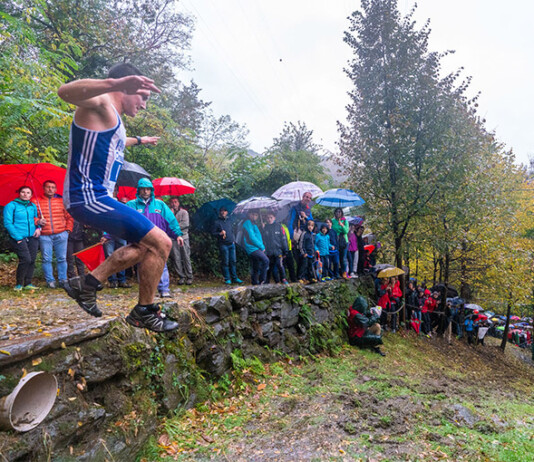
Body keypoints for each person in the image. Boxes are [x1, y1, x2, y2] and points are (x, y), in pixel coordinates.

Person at [58, 62, 179, 332]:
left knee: (145, 247)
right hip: (87, 197)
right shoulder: (101, 104)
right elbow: (64, 92)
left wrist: (141, 140)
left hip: (98, 198)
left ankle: (86, 284)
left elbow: (118, 141)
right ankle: (144, 311)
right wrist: (115, 83)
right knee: (162, 242)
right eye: (143, 97)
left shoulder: (114, 120)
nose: (144, 105)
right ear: (127, 85)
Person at [126, 178, 184, 298]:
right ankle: (147, 293)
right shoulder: (131, 205)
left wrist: (178, 235)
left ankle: (164, 290)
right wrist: (107, 235)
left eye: (148, 189)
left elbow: (171, 220)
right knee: (143, 266)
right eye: (143, 189)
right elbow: (121, 221)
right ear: (139, 190)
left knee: (161, 263)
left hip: (158, 240)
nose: (145, 191)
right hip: (140, 241)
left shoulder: (160, 205)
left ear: (151, 190)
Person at [34, 180, 74, 288]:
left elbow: (69, 217)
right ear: (44, 188)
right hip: (44, 235)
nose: (50, 189)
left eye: (52, 187)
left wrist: (68, 230)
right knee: (46, 259)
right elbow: (30, 216)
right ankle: (50, 281)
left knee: (62, 258)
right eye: (48, 187)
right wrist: (37, 221)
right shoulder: (36, 201)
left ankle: (63, 280)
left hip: (61, 233)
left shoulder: (61, 201)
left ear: (56, 189)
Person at [3, 186, 44, 290]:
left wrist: (38, 228)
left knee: (32, 260)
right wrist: (18, 237)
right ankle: (19, 284)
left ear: (31, 195)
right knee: (26, 259)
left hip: (32, 237)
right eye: (23, 192)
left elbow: (36, 220)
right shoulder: (11, 205)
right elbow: (8, 223)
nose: (25, 194)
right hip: (18, 237)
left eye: (28, 192)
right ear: (19, 193)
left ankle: (28, 283)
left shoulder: (32, 206)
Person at [212, 206, 242, 285]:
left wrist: (234, 240)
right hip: (223, 245)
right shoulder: (217, 222)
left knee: (233, 261)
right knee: (225, 262)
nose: (223, 212)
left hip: (231, 244)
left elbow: (232, 231)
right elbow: (213, 233)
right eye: (222, 211)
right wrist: (220, 233)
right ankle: (227, 278)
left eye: (225, 210)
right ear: (220, 212)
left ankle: (234, 278)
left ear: (227, 212)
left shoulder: (229, 221)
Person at [287, 191, 313, 276]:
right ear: (303, 197)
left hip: (306, 235)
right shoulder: (295, 208)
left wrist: (305, 217)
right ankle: (299, 276)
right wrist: (291, 236)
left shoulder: (308, 209)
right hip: (297, 235)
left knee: (305, 256)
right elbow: (290, 222)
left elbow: (312, 222)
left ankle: (304, 276)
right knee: (298, 255)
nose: (308, 199)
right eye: (307, 197)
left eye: (310, 198)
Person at [168, 197, 193, 285]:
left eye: (175, 202)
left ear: (178, 203)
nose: (174, 204)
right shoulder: (168, 213)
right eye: (172, 202)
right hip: (173, 238)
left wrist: (173, 225)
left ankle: (189, 277)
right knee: (176, 258)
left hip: (184, 237)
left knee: (186, 257)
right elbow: (166, 225)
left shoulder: (184, 212)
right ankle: (181, 277)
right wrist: (171, 216)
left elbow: (185, 224)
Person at [260, 212, 289, 284]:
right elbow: (262, 239)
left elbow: (283, 239)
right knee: (269, 267)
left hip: (278, 250)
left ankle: (283, 279)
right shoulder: (265, 227)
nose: (269, 219)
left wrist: (285, 250)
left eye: (271, 217)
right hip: (268, 251)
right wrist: (262, 229)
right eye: (268, 218)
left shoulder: (279, 226)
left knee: (280, 264)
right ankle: (267, 281)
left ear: (274, 218)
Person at [242, 211, 269, 285]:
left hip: (256, 247)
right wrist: (262, 247)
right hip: (252, 248)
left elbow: (258, 236)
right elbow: (252, 237)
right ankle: (262, 280)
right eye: (252, 214)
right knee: (266, 260)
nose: (254, 216)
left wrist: (262, 228)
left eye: (256, 215)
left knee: (256, 265)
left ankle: (254, 282)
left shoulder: (254, 223)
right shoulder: (248, 223)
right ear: (249, 214)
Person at [332, 208, 349, 278]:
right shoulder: (333, 221)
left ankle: (344, 272)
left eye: (339, 212)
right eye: (337, 212)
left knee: (343, 258)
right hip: (336, 241)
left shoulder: (345, 221)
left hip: (344, 241)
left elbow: (346, 231)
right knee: (336, 258)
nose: (338, 213)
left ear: (341, 213)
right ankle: (336, 273)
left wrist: (342, 225)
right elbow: (332, 229)